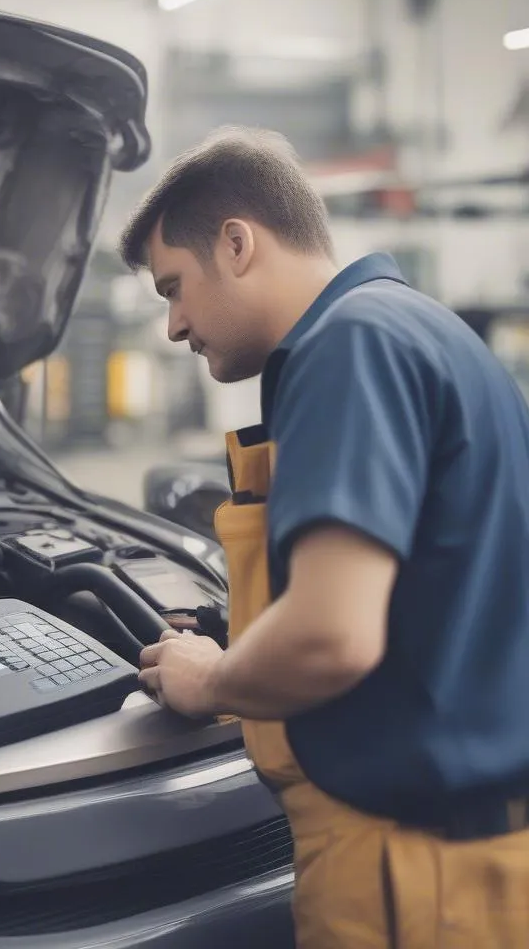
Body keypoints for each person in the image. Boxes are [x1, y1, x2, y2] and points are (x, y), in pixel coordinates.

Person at [118, 126, 529, 948]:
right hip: (478, 852)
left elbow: (333, 638)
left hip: (410, 873)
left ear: (237, 244)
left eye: (175, 287)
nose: (172, 325)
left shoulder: (346, 347)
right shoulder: (425, 330)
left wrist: (214, 678)